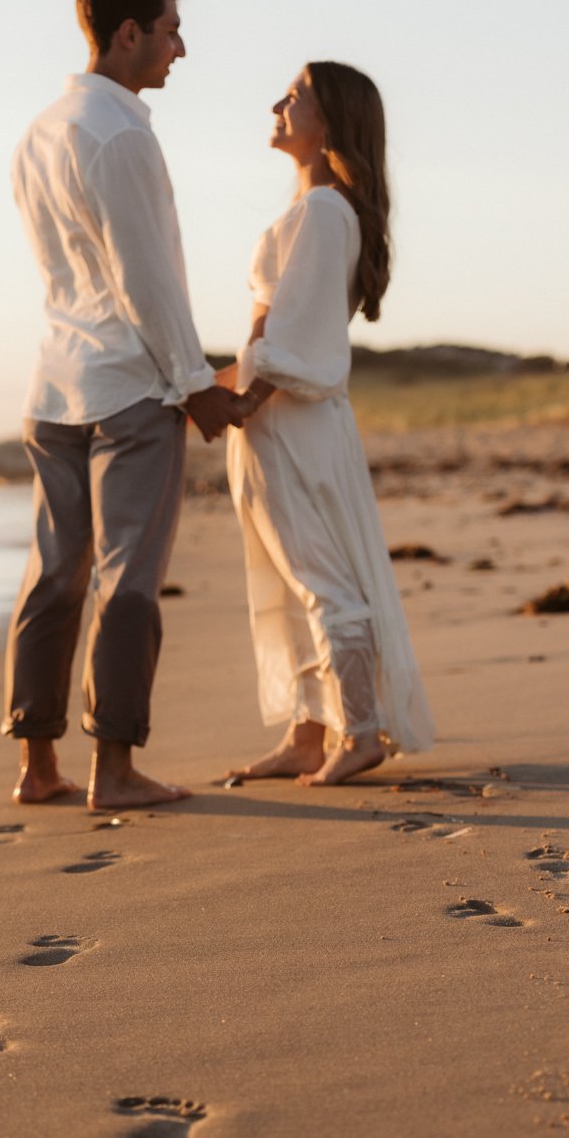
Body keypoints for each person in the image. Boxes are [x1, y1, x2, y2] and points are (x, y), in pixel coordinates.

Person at [4, 0, 242, 810]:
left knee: (54, 574)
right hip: (128, 391)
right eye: (171, 29)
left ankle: (37, 769)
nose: (181, 47)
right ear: (128, 32)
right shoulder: (123, 133)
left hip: (53, 384)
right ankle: (115, 770)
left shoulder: (38, 130)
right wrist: (195, 384)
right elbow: (147, 280)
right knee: (127, 578)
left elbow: (73, 272)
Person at [222, 62, 435, 786]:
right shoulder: (308, 210)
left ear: (332, 122)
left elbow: (303, 338)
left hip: (292, 420)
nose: (278, 103)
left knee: (320, 576)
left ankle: (361, 728)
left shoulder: (323, 212)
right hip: (277, 418)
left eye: (296, 95)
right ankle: (308, 730)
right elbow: (270, 325)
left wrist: (238, 405)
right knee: (288, 575)